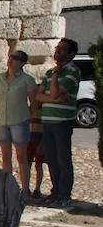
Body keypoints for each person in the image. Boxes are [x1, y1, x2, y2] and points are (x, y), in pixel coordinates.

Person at [34, 38, 80, 208]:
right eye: (57, 48)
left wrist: (55, 78)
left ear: (70, 54)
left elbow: (53, 92)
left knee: (63, 158)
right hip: (48, 120)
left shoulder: (72, 72)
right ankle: (55, 192)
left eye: (62, 49)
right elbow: (39, 96)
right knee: (52, 158)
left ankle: (64, 194)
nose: (58, 51)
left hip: (62, 121)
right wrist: (54, 96)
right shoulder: (49, 72)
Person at [0, 44, 36, 195]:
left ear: (22, 63)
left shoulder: (27, 80)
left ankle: (25, 189)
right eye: (11, 56)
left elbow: (34, 103)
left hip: (19, 122)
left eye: (16, 58)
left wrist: (25, 116)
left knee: (21, 157)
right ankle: (8, 188)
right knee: (5, 156)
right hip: (2, 121)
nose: (12, 60)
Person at [26, 100, 45, 199]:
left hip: (38, 140)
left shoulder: (44, 111)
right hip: (29, 140)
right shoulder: (29, 110)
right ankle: (26, 187)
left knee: (38, 165)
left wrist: (42, 143)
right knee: (27, 164)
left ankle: (37, 189)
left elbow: (46, 128)